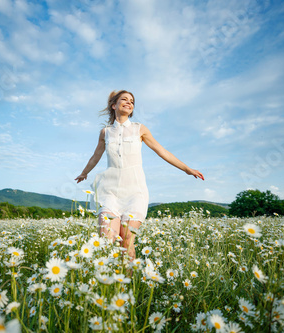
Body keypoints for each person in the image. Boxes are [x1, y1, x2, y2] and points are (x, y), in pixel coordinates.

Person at [75, 90, 204, 260]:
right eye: (124, 99)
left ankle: (126, 285)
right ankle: (107, 282)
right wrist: (84, 173)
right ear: (114, 105)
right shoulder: (105, 132)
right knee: (107, 239)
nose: (129, 103)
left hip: (134, 190)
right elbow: (95, 156)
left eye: (132, 101)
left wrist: (186, 169)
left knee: (127, 239)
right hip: (109, 190)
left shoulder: (139, 129)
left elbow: (161, 151)